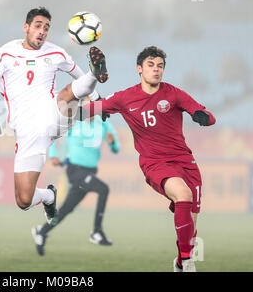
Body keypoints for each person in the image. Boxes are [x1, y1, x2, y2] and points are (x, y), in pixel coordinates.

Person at [80, 46, 216, 272]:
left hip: (185, 162)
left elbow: (206, 115)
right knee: (184, 195)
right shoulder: (125, 97)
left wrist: (202, 116)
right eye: (151, 65)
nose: (156, 70)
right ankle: (189, 262)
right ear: (139, 69)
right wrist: (61, 109)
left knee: (191, 226)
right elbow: (88, 109)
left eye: (160, 66)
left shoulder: (174, 93)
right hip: (155, 163)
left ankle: (181, 261)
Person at [0, 7, 109, 225]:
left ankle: (95, 74)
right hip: (28, 133)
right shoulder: (4, 54)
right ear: (26, 27)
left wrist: (96, 94)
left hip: (52, 115)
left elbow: (76, 73)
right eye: (38, 26)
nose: (42, 31)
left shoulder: (56, 53)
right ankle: (48, 196)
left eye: (46, 28)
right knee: (23, 199)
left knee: (66, 96)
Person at [31, 103, 120, 256]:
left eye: (92, 105)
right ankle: (96, 231)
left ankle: (42, 231)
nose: (88, 108)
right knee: (103, 189)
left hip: (90, 172)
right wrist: (53, 155)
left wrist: (112, 143)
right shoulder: (73, 121)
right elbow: (53, 135)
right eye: (85, 105)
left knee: (66, 209)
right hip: (75, 170)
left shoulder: (104, 124)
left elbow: (116, 149)